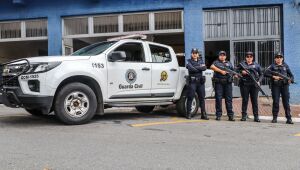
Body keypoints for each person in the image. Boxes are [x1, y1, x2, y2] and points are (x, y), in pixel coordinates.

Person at [264, 53, 294, 124]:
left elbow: (291, 75)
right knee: (276, 102)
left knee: (286, 102)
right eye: (277, 57)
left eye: (280, 57)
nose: (279, 59)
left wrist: (290, 80)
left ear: (282, 58)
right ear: (275, 59)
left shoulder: (285, 66)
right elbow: (265, 73)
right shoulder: (272, 66)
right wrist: (273, 76)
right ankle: (274, 118)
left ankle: (289, 118)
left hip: (285, 86)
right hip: (275, 86)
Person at [236, 52, 263, 122]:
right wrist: (242, 72)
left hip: (254, 85)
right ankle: (244, 116)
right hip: (244, 84)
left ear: (252, 58)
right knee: (245, 100)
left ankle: (256, 116)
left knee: (254, 101)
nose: (249, 58)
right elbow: (235, 72)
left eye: (250, 56)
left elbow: (261, 74)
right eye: (247, 56)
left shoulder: (256, 65)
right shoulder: (241, 64)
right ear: (246, 57)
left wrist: (259, 81)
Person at [210, 51, 235, 121]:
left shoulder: (229, 63)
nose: (222, 56)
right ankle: (218, 115)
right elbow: (212, 67)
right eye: (221, 55)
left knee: (229, 100)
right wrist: (221, 71)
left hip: (228, 83)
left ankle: (230, 115)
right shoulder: (216, 62)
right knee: (218, 99)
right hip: (219, 83)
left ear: (225, 56)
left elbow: (232, 71)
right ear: (219, 56)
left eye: (223, 55)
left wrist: (235, 75)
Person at [185, 48, 209, 120]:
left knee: (202, 98)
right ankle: (188, 114)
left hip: (200, 83)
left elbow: (204, 68)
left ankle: (203, 114)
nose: (195, 54)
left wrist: (195, 67)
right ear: (191, 54)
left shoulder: (201, 61)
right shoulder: (188, 61)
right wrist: (199, 68)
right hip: (193, 82)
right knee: (190, 97)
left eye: (196, 53)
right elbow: (190, 69)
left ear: (198, 54)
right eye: (193, 53)